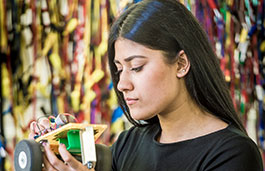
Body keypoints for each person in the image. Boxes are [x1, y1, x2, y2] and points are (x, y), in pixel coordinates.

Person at [29, 0, 263, 170]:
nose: (122, 84)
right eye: (119, 69)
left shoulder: (232, 154)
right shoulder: (127, 144)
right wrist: (63, 150)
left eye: (137, 67)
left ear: (181, 63)